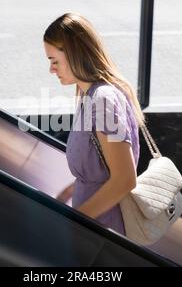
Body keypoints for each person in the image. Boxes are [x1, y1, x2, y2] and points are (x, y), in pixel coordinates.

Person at [43, 13, 146, 235]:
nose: (51, 70)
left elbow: (124, 179)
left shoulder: (103, 99)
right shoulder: (90, 96)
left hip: (102, 231)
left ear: (73, 55)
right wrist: (65, 195)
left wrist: (76, 220)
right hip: (95, 226)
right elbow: (100, 172)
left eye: (54, 61)